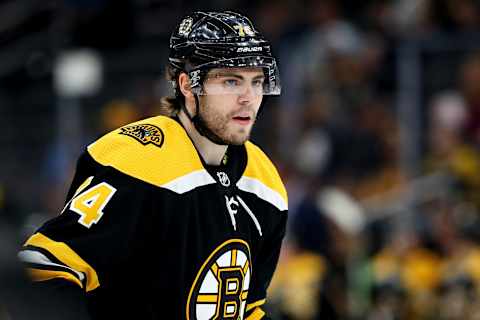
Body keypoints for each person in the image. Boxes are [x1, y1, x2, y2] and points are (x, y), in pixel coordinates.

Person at [19, 10, 288, 320]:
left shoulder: (265, 181)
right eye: (231, 81)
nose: (248, 98)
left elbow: (248, 309)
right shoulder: (137, 161)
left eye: (256, 82)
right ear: (187, 85)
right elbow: (44, 269)